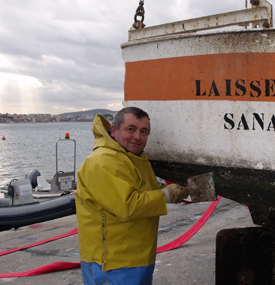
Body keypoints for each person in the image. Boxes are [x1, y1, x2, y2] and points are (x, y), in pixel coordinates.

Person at [75, 107, 189, 285]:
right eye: (131, 129)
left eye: (144, 132)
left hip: (137, 258)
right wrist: (166, 195)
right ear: (113, 130)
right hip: (111, 264)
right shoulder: (102, 162)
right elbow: (128, 205)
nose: (138, 136)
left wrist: (170, 190)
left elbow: (144, 189)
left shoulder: (132, 159)